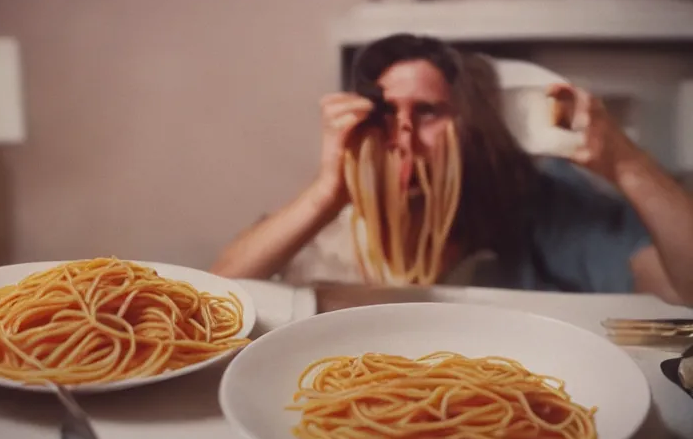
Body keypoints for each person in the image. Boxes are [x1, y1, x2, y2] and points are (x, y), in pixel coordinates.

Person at [212, 33, 693, 306]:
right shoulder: (334, 217)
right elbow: (219, 293)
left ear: (467, 125)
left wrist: (628, 163)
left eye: (427, 112)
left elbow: (683, 290)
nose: (402, 134)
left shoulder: (533, 206)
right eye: (386, 114)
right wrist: (324, 194)